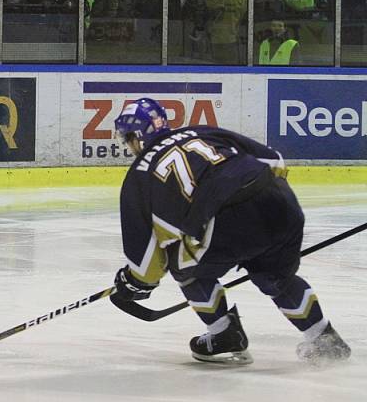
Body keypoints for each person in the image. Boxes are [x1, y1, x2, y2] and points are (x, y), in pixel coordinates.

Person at [109, 98, 351, 365]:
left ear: (136, 137)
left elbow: (147, 267)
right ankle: (325, 339)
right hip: (280, 201)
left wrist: (130, 284)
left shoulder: (138, 178)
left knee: (184, 265)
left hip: (225, 218)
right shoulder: (203, 131)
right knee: (276, 275)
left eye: (127, 139)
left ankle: (224, 334)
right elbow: (274, 161)